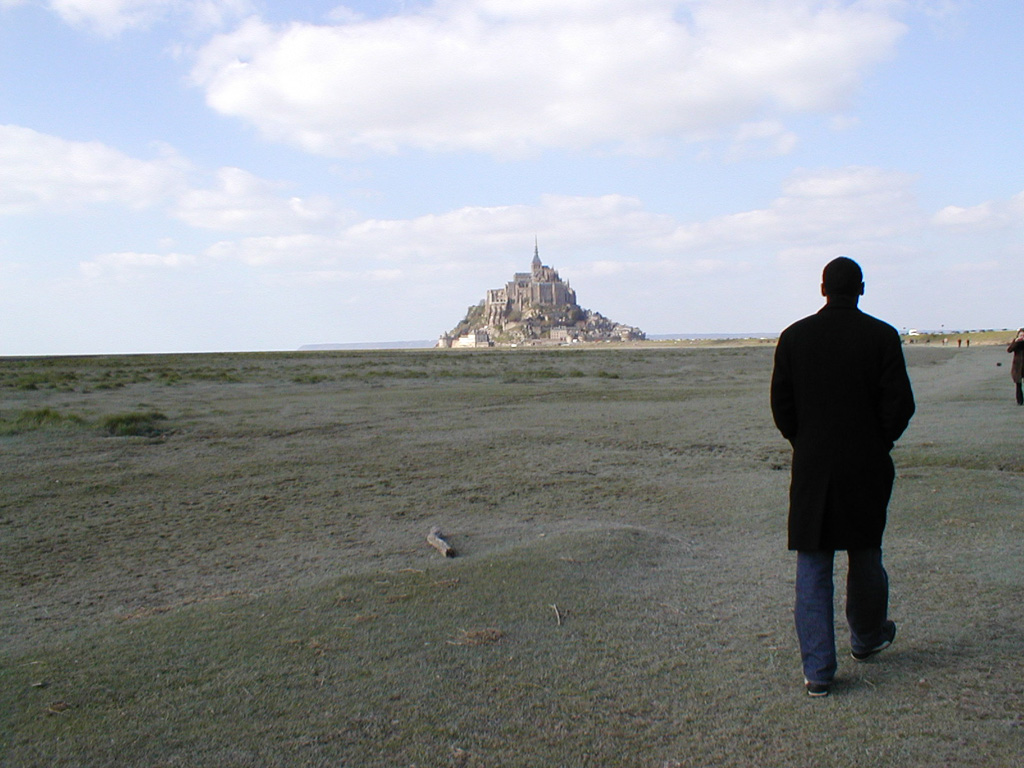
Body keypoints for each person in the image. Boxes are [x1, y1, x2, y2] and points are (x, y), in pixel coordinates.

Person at [770, 257, 915, 697]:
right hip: (866, 463)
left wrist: (807, 442)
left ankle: (818, 672)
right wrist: (877, 443)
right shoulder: (882, 337)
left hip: (814, 464)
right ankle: (867, 637)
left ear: (822, 289)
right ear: (862, 289)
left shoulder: (794, 338)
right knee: (866, 552)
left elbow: (783, 408)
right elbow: (900, 406)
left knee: (813, 564)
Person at [1007, 329, 1024, 405]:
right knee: (1018, 384)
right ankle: (1020, 401)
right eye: (1020, 335)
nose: (1022, 337)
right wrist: (1016, 342)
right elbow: (1009, 350)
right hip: (1017, 366)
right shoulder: (1016, 343)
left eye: (1023, 335)